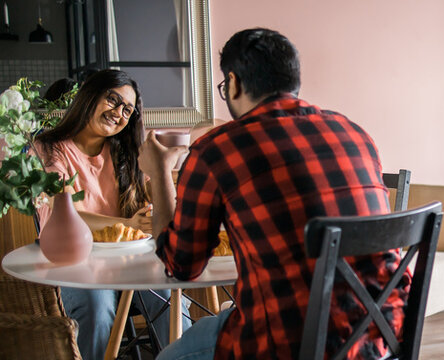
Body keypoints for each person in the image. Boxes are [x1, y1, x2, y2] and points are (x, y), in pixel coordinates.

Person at [143, 28, 409, 360]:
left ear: (234, 83)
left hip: (289, 343)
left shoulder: (218, 150)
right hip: (381, 334)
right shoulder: (355, 133)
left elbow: (182, 266)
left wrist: (157, 172)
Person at [34, 69, 192, 360]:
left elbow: (155, 204)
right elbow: (63, 212)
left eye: (127, 110)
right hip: (75, 263)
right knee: (96, 307)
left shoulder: (126, 153)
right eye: (112, 100)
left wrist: (161, 174)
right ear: (89, 96)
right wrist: (127, 223)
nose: (118, 113)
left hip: (130, 261)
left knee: (170, 297)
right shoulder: (49, 149)